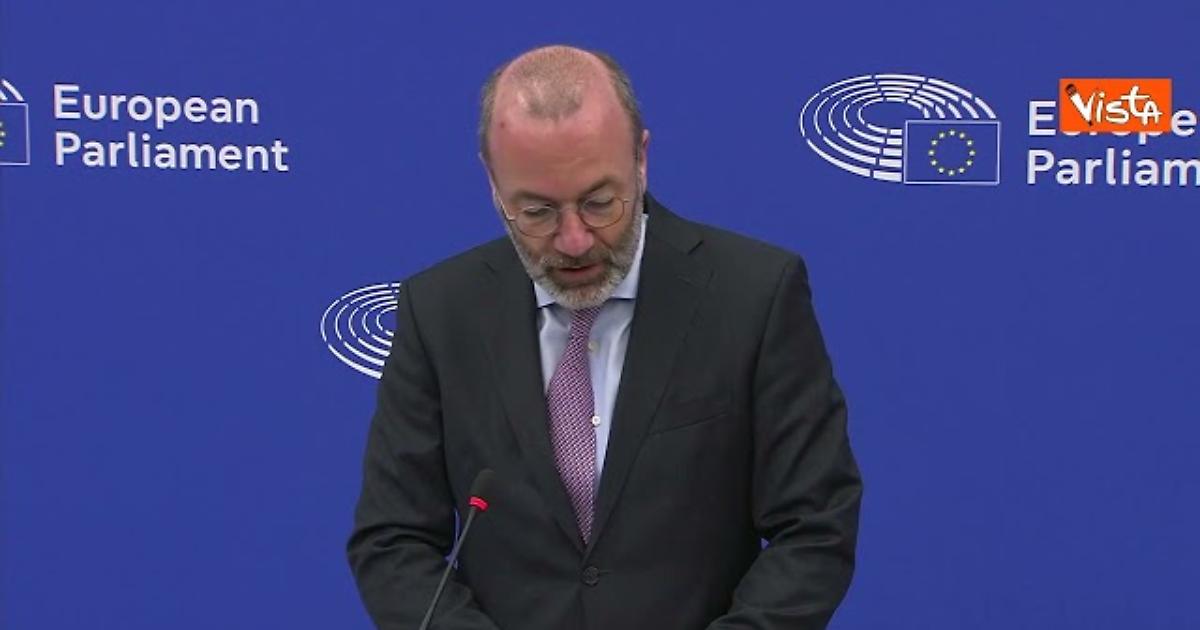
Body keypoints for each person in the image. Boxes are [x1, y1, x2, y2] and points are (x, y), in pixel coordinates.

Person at [347, 45, 862, 630]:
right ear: (492, 181)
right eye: (537, 212)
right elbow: (393, 541)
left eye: (599, 203)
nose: (574, 240)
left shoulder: (753, 296)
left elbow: (814, 526)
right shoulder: (440, 310)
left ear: (641, 159)